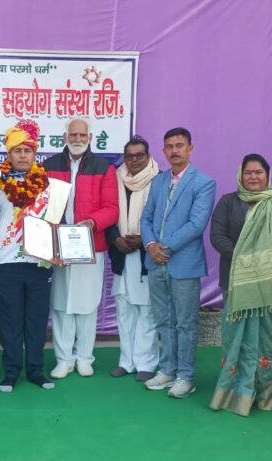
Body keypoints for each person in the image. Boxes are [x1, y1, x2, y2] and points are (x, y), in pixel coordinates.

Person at [0, 119, 69, 393]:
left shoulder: (48, 187)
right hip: (7, 262)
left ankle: (36, 371)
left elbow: (57, 222)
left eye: (27, 151)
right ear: (8, 154)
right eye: (17, 150)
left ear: (34, 154)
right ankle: (11, 372)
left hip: (39, 263)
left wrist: (58, 249)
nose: (22, 155)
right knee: (11, 321)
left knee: (37, 321)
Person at [209, 154, 272, 416]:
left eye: (258, 172)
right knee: (235, 338)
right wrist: (245, 256)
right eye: (248, 172)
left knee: (268, 339)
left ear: (268, 175)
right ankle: (234, 392)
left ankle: (264, 392)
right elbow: (217, 237)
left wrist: (258, 258)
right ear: (240, 175)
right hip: (236, 283)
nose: (253, 177)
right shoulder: (228, 203)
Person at [139, 127, 216, 399]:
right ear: (163, 151)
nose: (174, 150)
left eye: (179, 145)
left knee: (185, 323)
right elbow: (146, 218)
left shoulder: (203, 183)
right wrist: (150, 245)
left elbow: (196, 225)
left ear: (190, 148)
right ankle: (167, 370)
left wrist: (164, 248)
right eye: (169, 146)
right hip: (155, 261)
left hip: (183, 263)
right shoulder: (158, 182)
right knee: (163, 320)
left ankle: (186, 376)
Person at [44, 118, 119, 379]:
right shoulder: (49, 165)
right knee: (61, 303)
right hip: (59, 246)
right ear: (65, 135)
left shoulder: (104, 167)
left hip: (91, 245)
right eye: (72, 134)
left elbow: (112, 209)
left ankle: (85, 357)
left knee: (87, 304)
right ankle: (63, 359)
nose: (77, 139)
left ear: (90, 137)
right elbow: (42, 206)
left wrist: (93, 222)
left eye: (82, 135)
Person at [106, 136, 160, 382]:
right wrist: (116, 238)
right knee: (124, 310)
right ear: (124, 158)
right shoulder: (116, 178)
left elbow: (163, 217)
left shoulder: (159, 180)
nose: (135, 160)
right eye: (130, 156)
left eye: (140, 155)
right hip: (122, 254)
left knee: (147, 311)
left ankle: (146, 362)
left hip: (147, 253)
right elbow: (109, 212)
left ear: (148, 156)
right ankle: (126, 361)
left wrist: (143, 239)